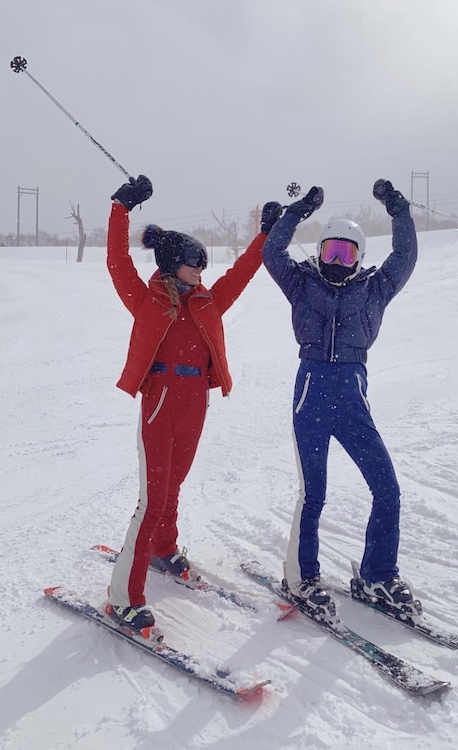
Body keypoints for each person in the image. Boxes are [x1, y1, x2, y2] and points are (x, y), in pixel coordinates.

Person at [105, 175, 279, 635]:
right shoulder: (146, 299)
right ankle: (123, 597)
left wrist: (266, 234)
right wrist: (121, 208)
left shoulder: (206, 302)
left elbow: (241, 273)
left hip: (194, 401)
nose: (201, 272)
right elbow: (117, 261)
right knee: (152, 498)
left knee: (175, 485)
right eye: (193, 264)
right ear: (171, 265)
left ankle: (165, 548)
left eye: (203, 265)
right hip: (160, 401)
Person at [261, 179, 419, 620]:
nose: (335, 261)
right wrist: (297, 212)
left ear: (359, 258)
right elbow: (272, 254)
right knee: (314, 494)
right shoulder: (301, 284)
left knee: (387, 490)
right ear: (319, 252)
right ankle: (302, 577)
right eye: (330, 251)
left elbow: (405, 256)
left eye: (345, 254)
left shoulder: (375, 290)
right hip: (311, 395)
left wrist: (397, 210)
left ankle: (377, 574)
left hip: (352, 400)